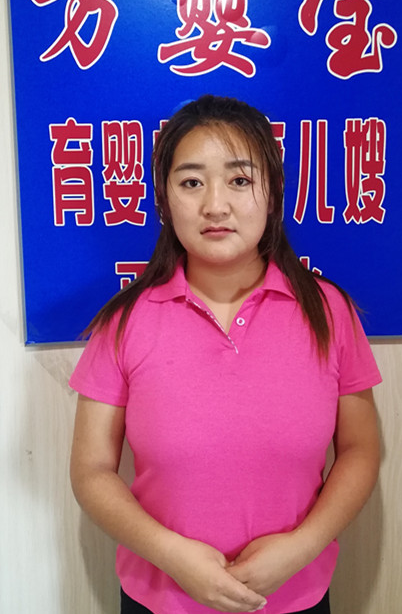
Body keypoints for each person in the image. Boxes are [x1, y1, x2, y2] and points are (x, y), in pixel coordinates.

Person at [69, 94, 381, 614]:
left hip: (295, 595)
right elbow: (92, 470)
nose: (215, 205)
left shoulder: (329, 312)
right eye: (191, 182)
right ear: (164, 199)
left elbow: (360, 450)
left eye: (239, 180)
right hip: (160, 597)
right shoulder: (123, 322)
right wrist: (172, 556)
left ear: (274, 191)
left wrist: (302, 548)